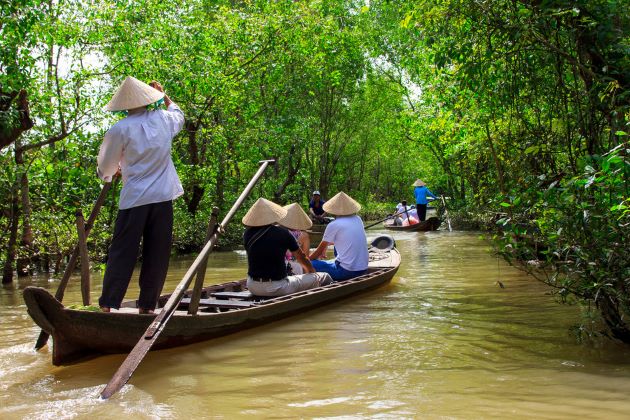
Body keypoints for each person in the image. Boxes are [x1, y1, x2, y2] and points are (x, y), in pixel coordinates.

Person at [97, 76, 184, 314]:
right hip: (162, 199)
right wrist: (164, 95)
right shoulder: (164, 120)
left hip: (134, 199)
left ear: (125, 105)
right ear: (150, 100)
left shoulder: (119, 129)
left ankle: (108, 304)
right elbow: (179, 114)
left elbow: (105, 167)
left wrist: (111, 172)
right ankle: (147, 306)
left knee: (123, 251)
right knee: (158, 252)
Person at [243, 198, 332, 297]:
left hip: (252, 286)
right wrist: (312, 273)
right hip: (277, 286)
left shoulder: (247, 234)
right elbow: (301, 257)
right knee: (325, 276)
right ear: (273, 215)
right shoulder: (282, 233)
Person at [309, 192, 369, 281]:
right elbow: (344, 239)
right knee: (334, 248)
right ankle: (336, 262)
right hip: (363, 269)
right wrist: (326, 245)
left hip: (346, 272)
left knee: (311, 263)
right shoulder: (358, 219)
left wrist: (306, 261)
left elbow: (318, 252)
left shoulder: (334, 224)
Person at [280, 203, 312, 275]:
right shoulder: (304, 235)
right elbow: (305, 259)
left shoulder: (276, 231)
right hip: (295, 270)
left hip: (278, 269)